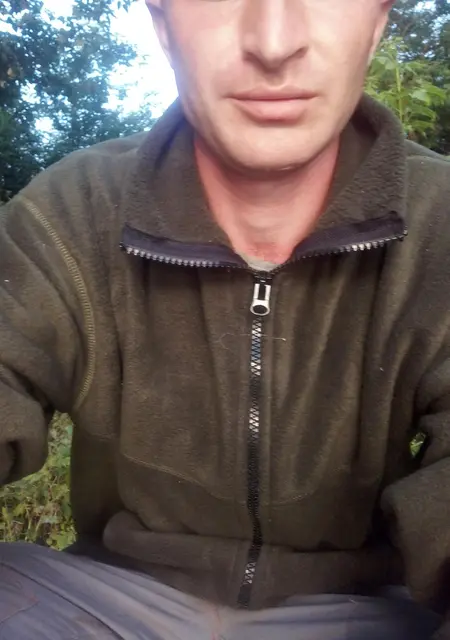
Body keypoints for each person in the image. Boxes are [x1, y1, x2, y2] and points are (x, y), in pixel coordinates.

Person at [1, 0, 450, 637]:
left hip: (369, 609)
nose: (274, 42)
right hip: (104, 602)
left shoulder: (442, 225)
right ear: (162, 26)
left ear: (376, 25)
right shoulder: (69, 212)